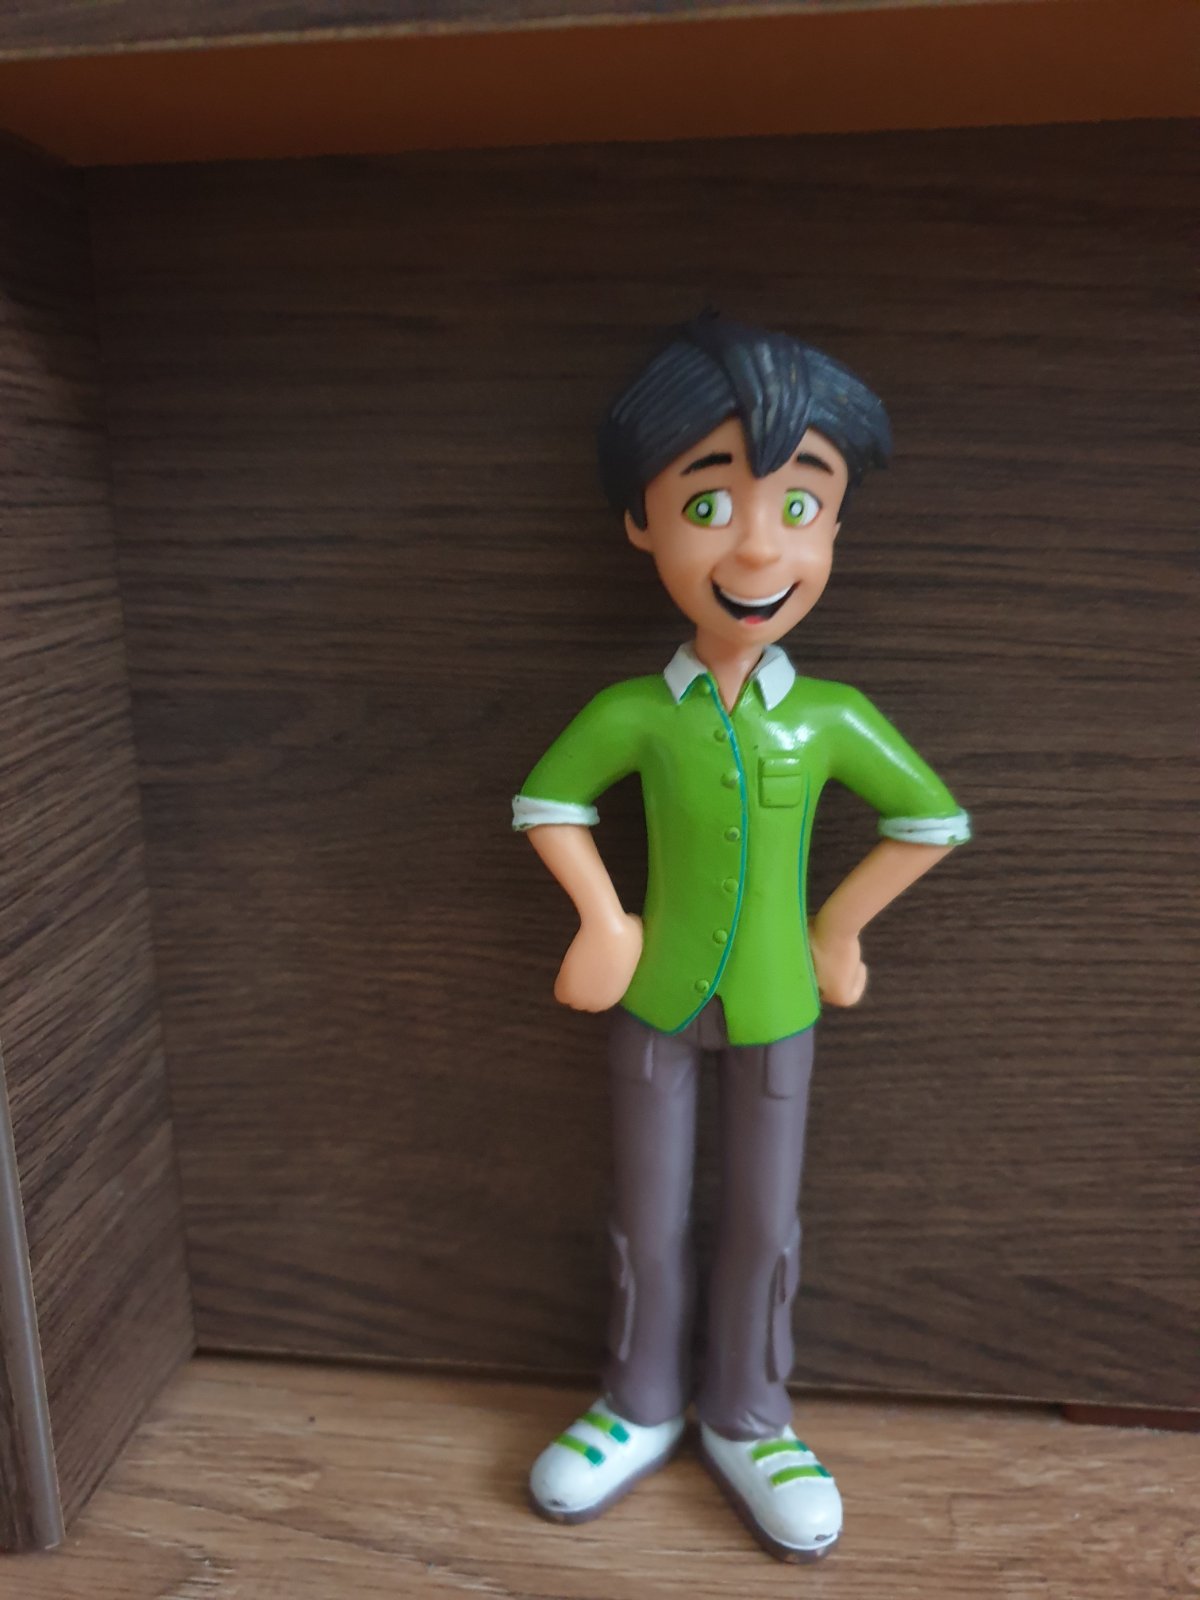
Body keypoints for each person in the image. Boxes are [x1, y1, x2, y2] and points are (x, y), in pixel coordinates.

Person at [511, 313, 970, 1563]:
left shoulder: (828, 717)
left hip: (779, 1004)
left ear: (837, 527)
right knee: (647, 1214)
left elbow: (930, 819)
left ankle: (751, 1413)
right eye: (709, 505)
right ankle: (638, 1398)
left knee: (764, 1222)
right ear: (641, 522)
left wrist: (839, 928)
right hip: (655, 998)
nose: (760, 545)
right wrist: (603, 918)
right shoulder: (635, 711)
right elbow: (548, 802)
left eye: (800, 506)